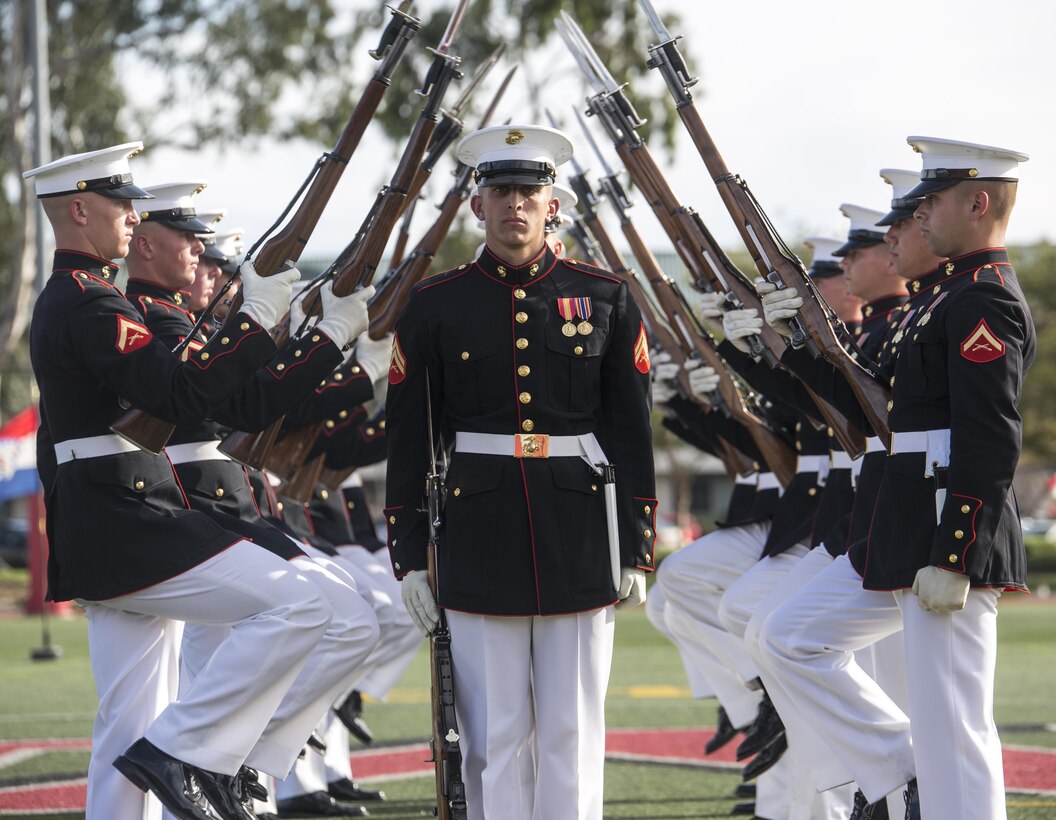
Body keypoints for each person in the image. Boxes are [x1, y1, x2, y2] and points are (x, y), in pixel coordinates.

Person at [23, 142, 368, 820]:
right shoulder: (91, 305)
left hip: (117, 515)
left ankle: (177, 756)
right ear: (79, 208)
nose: (131, 214)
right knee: (304, 605)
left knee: (127, 720)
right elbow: (183, 394)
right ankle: (189, 750)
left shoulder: (89, 298)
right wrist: (259, 321)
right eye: (121, 203)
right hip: (125, 518)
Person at [384, 124, 657, 820]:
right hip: (479, 530)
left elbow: (631, 433)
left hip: (580, 533)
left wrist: (637, 545)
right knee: (493, 735)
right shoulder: (434, 304)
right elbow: (410, 441)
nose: (514, 205)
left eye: (528, 192)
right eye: (500, 191)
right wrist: (410, 556)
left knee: (571, 729)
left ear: (552, 204)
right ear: (477, 205)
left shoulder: (606, 295)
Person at [758, 137, 1034, 820]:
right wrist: (798, 349)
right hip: (906, 527)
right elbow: (878, 406)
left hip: (944, 532)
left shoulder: (984, 300)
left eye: (931, 203)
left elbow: (989, 437)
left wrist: (956, 552)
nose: (916, 221)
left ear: (976, 203)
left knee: (954, 724)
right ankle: (895, 774)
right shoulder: (943, 299)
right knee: (790, 636)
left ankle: (916, 786)